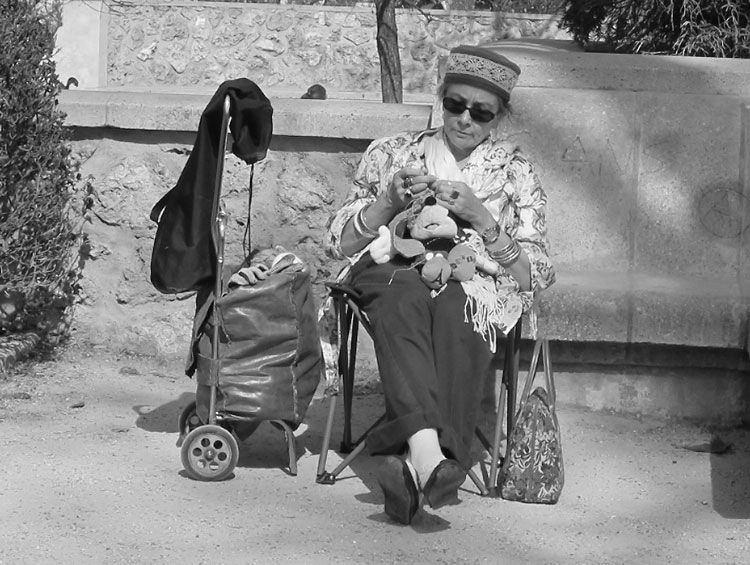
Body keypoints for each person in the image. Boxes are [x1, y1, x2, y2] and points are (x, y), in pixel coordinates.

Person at [324, 45, 555, 525]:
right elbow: (341, 242)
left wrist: (484, 221)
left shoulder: (516, 172)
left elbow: (536, 274)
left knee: (458, 310)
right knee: (403, 295)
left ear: (498, 118)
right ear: (441, 99)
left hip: (474, 279)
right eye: (455, 105)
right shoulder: (390, 153)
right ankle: (435, 459)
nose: (465, 119)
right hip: (393, 268)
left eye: (481, 112)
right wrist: (387, 203)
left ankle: (413, 463)